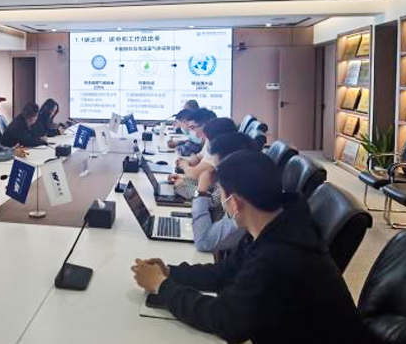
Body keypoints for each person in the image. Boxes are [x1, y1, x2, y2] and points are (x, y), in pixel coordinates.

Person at [132, 150, 371, 344]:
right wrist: (171, 272)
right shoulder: (276, 222)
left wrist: (161, 285)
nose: (221, 201)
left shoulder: (278, 254)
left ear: (234, 202)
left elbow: (227, 321)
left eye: (221, 195)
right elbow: (226, 272)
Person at [190, 132, 256, 253]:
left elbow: (204, 242)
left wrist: (201, 191)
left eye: (218, 168)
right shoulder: (247, 180)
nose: (215, 173)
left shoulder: (243, 201)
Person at [173, 116, 237, 191]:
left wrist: (181, 187)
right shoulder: (229, 165)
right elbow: (207, 190)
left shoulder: (228, 178)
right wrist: (183, 180)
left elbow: (204, 195)